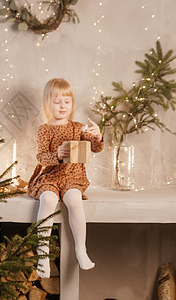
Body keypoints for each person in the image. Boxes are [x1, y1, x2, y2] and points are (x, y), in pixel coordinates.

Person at [28, 78, 104, 277]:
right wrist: (58, 156)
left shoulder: (78, 127)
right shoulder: (45, 129)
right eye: (57, 101)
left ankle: (81, 249)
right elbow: (41, 156)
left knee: (74, 199)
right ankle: (42, 253)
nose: (63, 105)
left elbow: (95, 148)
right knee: (48, 199)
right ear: (47, 103)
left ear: (72, 104)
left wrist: (97, 135)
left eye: (67, 101)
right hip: (51, 176)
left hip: (72, 175)